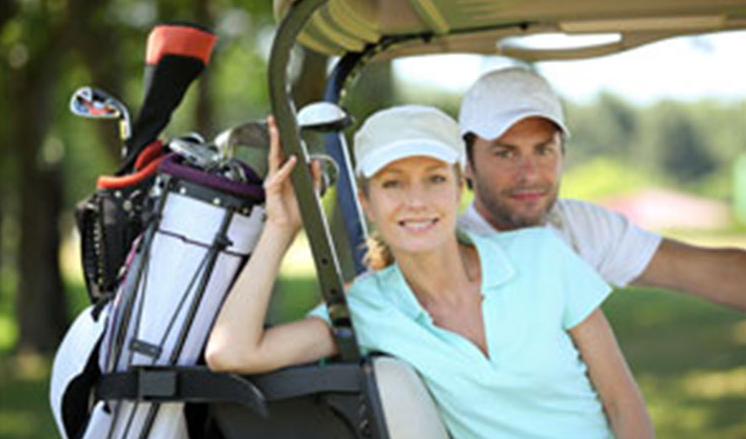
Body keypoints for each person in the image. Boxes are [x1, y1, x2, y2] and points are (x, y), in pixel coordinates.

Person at [207, 105, 654, 438]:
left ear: (460, 187)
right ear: (367, 202)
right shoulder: (365, 306)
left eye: (435, 179)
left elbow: (622, 401)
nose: (416, 201)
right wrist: (281, 228)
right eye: (393, 183)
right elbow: (232, 353)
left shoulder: (542, 256)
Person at [457, 67, 746, 310]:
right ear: (466, 163)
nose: (529, 173)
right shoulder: (446, 249)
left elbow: (703, 271)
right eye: (506, 154)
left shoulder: (581, 226)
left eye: (543, 150)